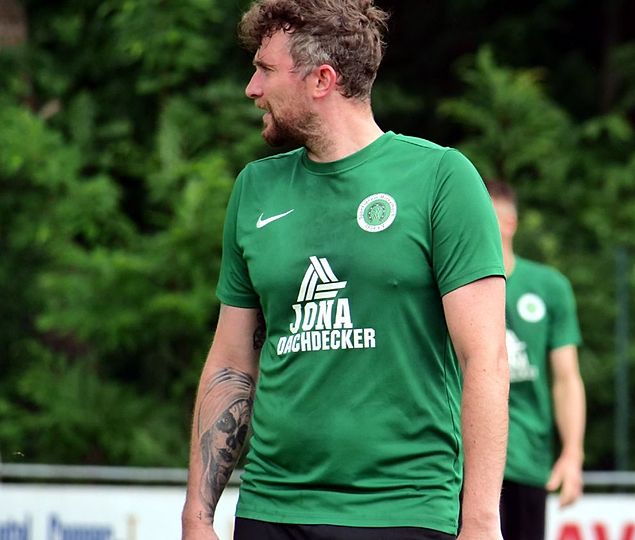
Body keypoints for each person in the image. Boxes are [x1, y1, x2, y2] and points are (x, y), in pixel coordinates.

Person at [180, 1, 509, 539]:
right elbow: (232, 362)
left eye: (265, 70)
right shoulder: (255, 189)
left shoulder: (441, 178)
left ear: (322, 80)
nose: (251, 89)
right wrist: (197, 515)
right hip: (271, 509)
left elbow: (486, 360)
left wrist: (479, 522)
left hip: (402, 510)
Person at [485, 180, 586, 540]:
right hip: (462, 463)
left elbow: (566, 379)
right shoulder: (446, 283)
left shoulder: (549, 287)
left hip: (527, 460)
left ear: (509, 223)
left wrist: (572, 455)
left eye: (482, 215)